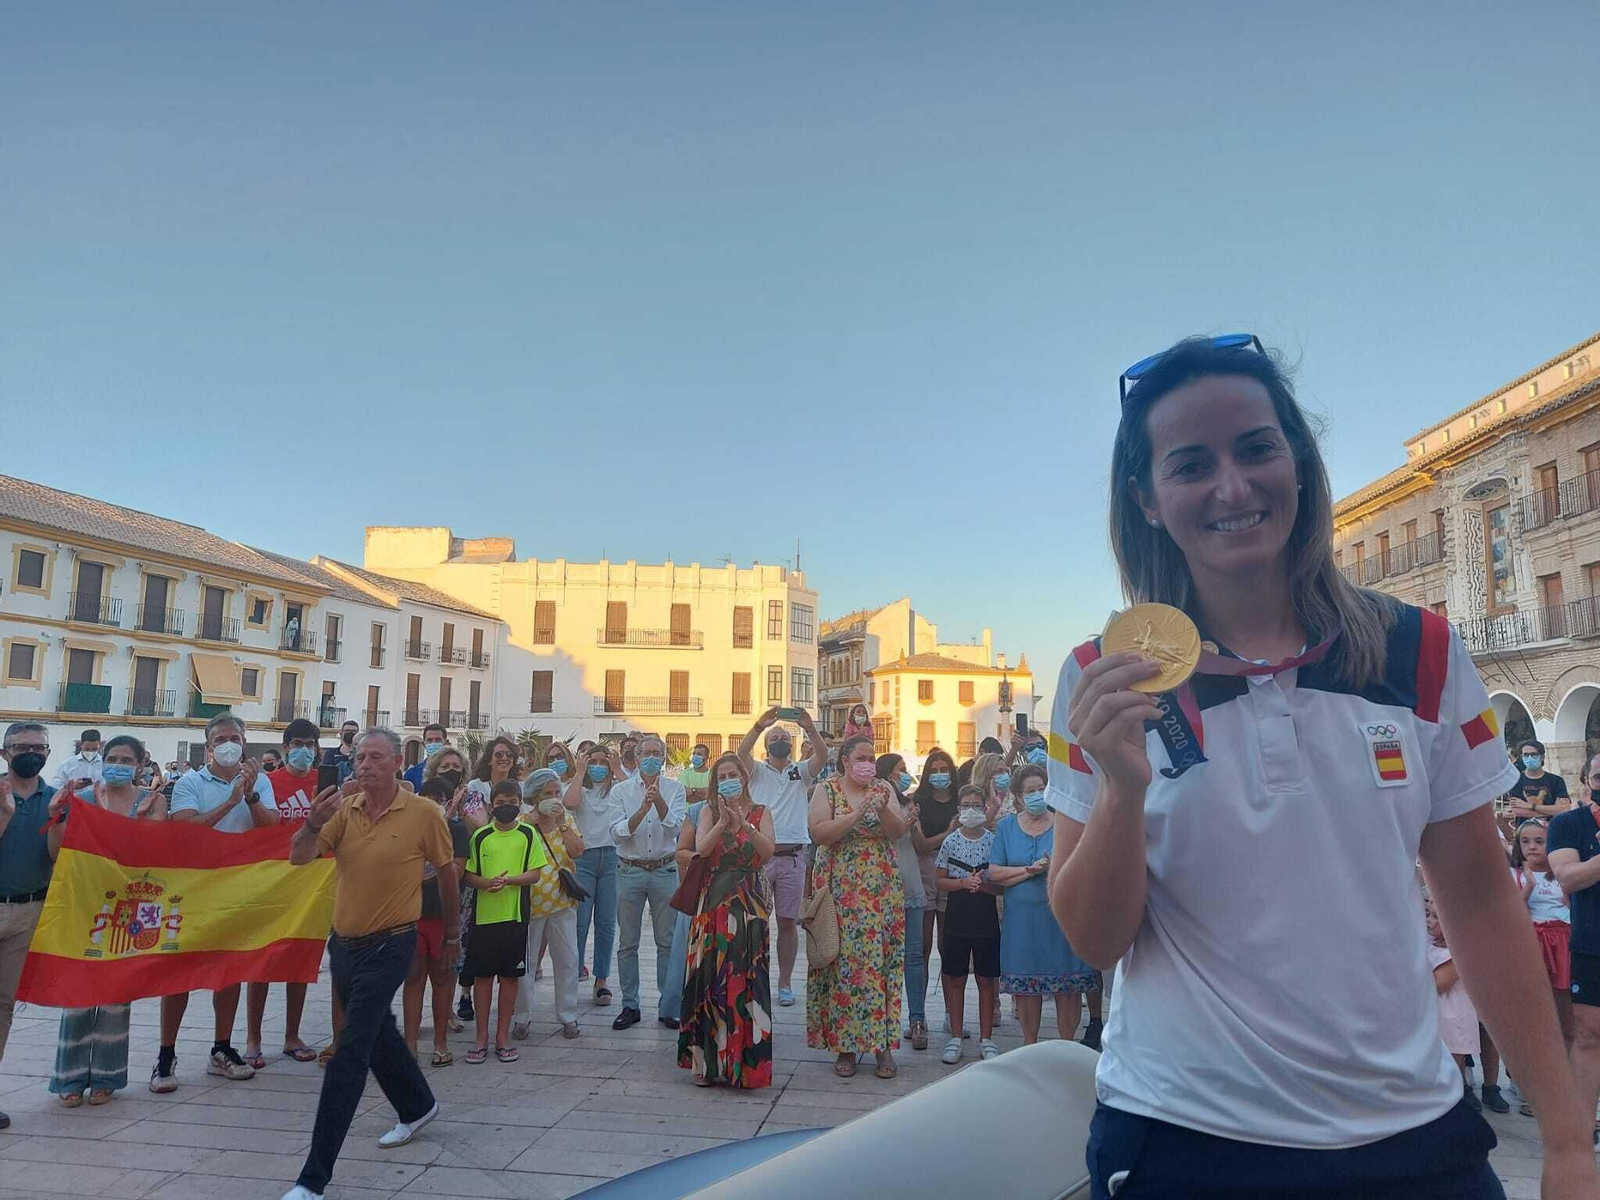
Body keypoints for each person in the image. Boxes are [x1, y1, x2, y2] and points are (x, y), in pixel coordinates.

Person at [1052, 335, 1588, 1198]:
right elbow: (1094, 938)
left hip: (1413, 1140)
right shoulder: (1100, 675)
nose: (1233, 486)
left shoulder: (1423, 653)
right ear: (1147, 499)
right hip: (1185, 1140)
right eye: (1191, 465)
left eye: (1257, 448)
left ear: (1299, 463)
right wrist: (1121, 789)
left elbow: (1483, 902)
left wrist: (1567, 1143)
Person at [281, 728, 458, 1200]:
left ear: (398, 762)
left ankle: (311, 1180)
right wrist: (312, 824)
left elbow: (447, 873)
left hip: (394, 942)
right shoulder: (344, 811)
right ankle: (417, 1105)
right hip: (345, 945)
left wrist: (454, 936)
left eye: (376, 757)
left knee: (350, 1049)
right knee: (378, 1032)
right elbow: (298, 858)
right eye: (360, 757)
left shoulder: (424, 813)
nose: (366, 765)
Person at [155, 714, 280, 1092]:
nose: (230, 744)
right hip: (193, 889)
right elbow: (186, 830)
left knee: (229, 972)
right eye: (222, 738)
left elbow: (271, 829)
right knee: (180, 973)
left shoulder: (261, 781)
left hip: (238, 890)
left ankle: (222, 1048)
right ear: (209, 746)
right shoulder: (190, 782)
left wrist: (252, 794)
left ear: (245, 742)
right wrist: (230, 803)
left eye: (236, 738)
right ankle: (165, 1056)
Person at [49, 735, 164, 1106]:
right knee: (79, 993)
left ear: (140, 764)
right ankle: (69, 1077)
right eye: (111, 757)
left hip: (131, 906)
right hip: (86, 905)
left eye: (125, 759)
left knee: (116, 994)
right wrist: (59, 814)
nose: (117, 763)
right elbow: (59, 851)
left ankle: (107, 1076)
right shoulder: (83, 802)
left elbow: (149, 855)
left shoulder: (152, 802)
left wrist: (134, 823)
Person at [807, 733, 907, 1080]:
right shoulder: (827, 789)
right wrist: (858, 814)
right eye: (861, 757)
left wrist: (880, 811)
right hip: (840, 888)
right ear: (846, 761)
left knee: (881, 962)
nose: (868, 763)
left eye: (872, 756)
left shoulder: (884, 789)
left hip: (880, 887)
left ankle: (883, 1046)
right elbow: (819, 833)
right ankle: (845, 1045)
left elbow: (897, 831)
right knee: (844, 963)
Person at [678, 753, 775, 1088]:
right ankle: (707, 1065)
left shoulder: (762, 812)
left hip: (749, 905)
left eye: (734, 774)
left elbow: (767, 852)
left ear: (745, 778)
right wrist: (722, 820)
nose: (729, 779)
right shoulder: (707, 811)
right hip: (714, 903)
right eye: (723, 775)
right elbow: (702, 850)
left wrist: (745, 824)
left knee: (747, 979)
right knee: (710, 977)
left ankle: (746, 1067)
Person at [989, 764, 1098, 1047]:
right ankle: (1029, 1046)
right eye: (1030, 791)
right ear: (1018, 796)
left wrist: (1055, 866)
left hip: (1062, 918)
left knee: (1068, 987)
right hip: (1022, 923)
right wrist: (1029, 870)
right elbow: (994, 872)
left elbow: (1086, 865)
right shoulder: (1006, 827)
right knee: (1026, 989)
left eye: (1041, 789)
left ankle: (1067, 1047)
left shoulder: (1066, 823)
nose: (1037, 795)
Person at [738, 706, 827, 1008]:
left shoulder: (799, 771)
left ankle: (785, 982)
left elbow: (823, 757)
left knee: (787, 922)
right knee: (755, 922)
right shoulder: (756, 770)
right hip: (760, 856)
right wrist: (759, 725)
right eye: (774, 736)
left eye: (783, 736)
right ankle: (753, 979)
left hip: (792, 857)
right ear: (766, 744)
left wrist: (809, 727)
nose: (779, 740)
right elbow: (740, 754)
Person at [0, 722, 65, 1131]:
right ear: (6, 752)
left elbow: (55, 855)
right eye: (22, 746)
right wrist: (5, 815)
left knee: (3, 1008)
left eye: (38, 747)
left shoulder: (54, 798)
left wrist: (59, 820)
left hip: (28, 911)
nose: (31, 753)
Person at [250, 717, 324, 1068]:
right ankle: (253, 1038)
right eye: (298, 744)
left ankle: (292, 1035)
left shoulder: (323, 783)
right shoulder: (266, 782)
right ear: (285, 747)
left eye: (310, 745)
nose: (304, 751)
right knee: (261, 963)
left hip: (311, 885)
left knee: (300, 961)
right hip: (271, 881)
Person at [461, 781, 545, 1063]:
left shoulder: (528, 834)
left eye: (511, 801)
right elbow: (469, 875)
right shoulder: (481, 836)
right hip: (484, 919)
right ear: (491, 805)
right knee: (483, 978)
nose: (505, 807)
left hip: (515, 916)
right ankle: (481, 1037)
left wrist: (510, 880)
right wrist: (486, 883)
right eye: (499, 802)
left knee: (510, 978)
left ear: (520, 803)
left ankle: (502, 1036)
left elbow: (535, 873)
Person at [608, 735, 684, 1030]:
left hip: (664, 870)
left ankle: (668, 1006)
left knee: (667, 941)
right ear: (636, 757)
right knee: (628, 941)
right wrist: (641, 809)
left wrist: (660, 801)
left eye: (657, 753)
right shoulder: (621, 791)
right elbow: (617, 834)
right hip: (630, 870)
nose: (652, 757)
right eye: (646, 753)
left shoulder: (675, 789)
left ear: (664, 758)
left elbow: (675, 828)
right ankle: (630, 1004)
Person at [1546, 751, 1600, 1134]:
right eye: (1599, 777)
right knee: (1589, 1037)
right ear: (1586, 781)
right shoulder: (1568, 824)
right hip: (1592, 943)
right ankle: (1582, 1130)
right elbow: (1567, 877)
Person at [513, 769, 584, 1039]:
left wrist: (562, 823)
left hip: (561, 901)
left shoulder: (567, 820)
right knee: (526, 962)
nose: (554, 798)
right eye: (548, 794)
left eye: (557, 793)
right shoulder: (522, 823)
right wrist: (532, 823)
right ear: (534, 796)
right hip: (528, 901)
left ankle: (568, 1016)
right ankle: (522, 1017)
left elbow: (578, 850)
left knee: (567, 959)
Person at [403, 778, 471, 1065]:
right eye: (426, 797)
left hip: (443, 916)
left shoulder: (455, 829)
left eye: (438, 798)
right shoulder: (408, 828)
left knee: (442, 979)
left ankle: (441, 1043)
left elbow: (455, 872)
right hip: (411, 916)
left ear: (446, 801)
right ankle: (410, 1044)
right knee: (414, 979)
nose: (432, 803)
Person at [936, 784, 1001, 1065]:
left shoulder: (994, 841)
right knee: (956, 977)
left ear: (985, 809)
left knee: (986, 978)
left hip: (985, 915)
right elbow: (939, 880)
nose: (971, 810)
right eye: (966, 805)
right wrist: (962, 882)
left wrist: (986, 886)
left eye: (977, 805)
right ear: (959, 809)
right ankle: (955, 1033)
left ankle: (987, 1038)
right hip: (957, 914)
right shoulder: (950, 841)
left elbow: (1001, 884)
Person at [1512, 818, 1572, 1117]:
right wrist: (1528, 884)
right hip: (1532, 944)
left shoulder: (1561, 872)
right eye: (1526, 841)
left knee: (1565, 1017)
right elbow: (1512, 913)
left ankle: (1567, 1087)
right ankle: (1534, 1091)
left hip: (1563, 943)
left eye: (1539, 841)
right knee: (1537, 1018)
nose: (1533, 847)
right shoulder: (1515, 875)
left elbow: (1573, 906)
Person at [563, 742, 623, 1005]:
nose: (599, 767)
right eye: (594, 762)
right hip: (584, 857)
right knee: (580, 921)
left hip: (612, 857)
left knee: (607, 923)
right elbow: (569, 802)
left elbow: (635, 795)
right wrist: (579, 771)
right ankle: (573, 974)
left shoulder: (619, 788)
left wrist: (618, 767)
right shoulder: (581, 787)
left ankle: (602, 980)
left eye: (603, 762)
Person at [876, 753, 929, 1050]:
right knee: (881, 957)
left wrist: (913, 822)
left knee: (914, 956)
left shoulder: (908, 804)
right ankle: (882, 1021)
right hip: (882, 887)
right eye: (901, 770)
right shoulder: (876, 802)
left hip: (910, 884)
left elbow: (920, 847)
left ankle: (917, 1019)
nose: (905, 775)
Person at [909, 746, 960, 1046]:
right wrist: (949, 833)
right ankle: (919, 1015)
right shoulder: (919, 802)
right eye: (935, 770)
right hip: (926, 871)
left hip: (955, 871)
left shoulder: (959, 801)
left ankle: (949, 1014)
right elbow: (922, 846)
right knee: (923, 946)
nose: (940, 774)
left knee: (949, 944)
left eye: (945, 769)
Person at [1425, 897, 1483, 1111]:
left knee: (1451, 1060)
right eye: (1428, 915)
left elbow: (1440, 984)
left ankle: (1454, 1102)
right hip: (1435, 1013)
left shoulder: (1457, 952)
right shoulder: (1428, 944)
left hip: (1453, 1014)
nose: (1430, 921)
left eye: (1436, 917)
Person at [1511, 739, 1572, 824]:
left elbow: (1564, 809)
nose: (1529, 758)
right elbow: (1517, 811)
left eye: (1533, 754)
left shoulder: (1556, 781)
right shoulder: (1516, 780)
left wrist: (1529, 806)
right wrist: (1551, 810)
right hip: (1525, 831)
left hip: (1553, 829)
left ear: (1542, 757)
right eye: (1526, 755)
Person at [403, 724, 450, 791]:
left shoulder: (454, 771)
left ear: (446, 743)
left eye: (438, 740)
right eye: (429, 740)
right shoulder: (412, 774)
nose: (433, 743)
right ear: (423, 744)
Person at [970, 752, 1012, 823]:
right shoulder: (973, 799)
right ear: (986, 774)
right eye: (1000, 771)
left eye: (1006, 771)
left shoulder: (1013, 797)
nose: (1005, 775)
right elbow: (977, 829)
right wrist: (994, 807)